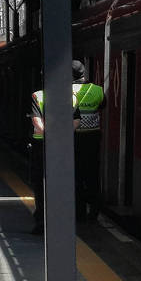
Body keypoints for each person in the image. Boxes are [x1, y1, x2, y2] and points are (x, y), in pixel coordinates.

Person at [30, 60, 105, 234]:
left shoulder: (60, 92)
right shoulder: (96, 90)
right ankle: (93, 212)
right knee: (92, 175)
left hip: (68, 141)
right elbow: (101, 106)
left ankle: (75, 213)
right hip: (91, 138)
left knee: (73, 178)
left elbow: (38, 119)